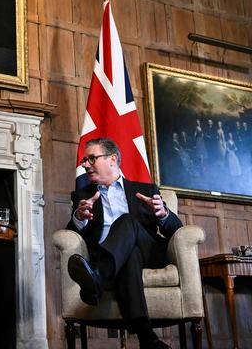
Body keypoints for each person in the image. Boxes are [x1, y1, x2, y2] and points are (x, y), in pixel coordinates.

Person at [67, 138, 183, 349]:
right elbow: (70, 233)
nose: (85, 165)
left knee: (127, 221)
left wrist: (163, 213)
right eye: (85, 160)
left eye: (91, 158)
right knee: (130, 256)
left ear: (112, 159)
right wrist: (79, 216)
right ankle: (148, 338)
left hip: (150, 252)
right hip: (125, 257)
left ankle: (99, 276)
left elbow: (177, 230)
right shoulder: (83, 195)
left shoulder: (146, 190)